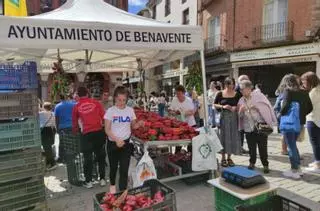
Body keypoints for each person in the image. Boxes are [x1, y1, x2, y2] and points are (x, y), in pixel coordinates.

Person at [104, 86, 144, 193]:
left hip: (126, 144)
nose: (121, 102)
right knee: (113, 168)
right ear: (115, 99)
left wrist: (139, 124)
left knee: (124, 169)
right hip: (113, 143)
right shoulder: (110, 111)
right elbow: (107, 130)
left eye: (124, 100)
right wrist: (117, 140)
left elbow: (133, 126)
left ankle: (123, 191)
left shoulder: (130, 111)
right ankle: (112, 186)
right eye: (119, 100)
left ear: (127, 99)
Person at [238, 80, 277, 174]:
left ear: (248, 88)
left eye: (242, 89)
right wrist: (241, 111)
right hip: (248, 128)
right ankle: (252, 163)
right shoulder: (241, 100)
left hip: (261, 126)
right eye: (240, 89)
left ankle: (265, 165)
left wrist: (257, 108)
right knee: (251, 148)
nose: (241, 91)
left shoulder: (259, 96)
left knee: (263, 147)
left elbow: (266, 108)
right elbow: (240, 117)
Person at [279, 74, 313, 179]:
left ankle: (295, 170)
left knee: (291, 146)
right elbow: (310, 107)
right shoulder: (304, 92)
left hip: (289, 123)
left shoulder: (288, 91)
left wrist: (279, 114)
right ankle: (297, 168)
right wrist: (301, 115)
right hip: (300, 123)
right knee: (293, 145)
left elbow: (285, 106)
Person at [72, 87, 106, 188]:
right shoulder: (96, 103)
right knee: (100, 156)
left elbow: (74, 123)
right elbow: (104, 116)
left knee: (87, 158)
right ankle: (103, 179)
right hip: (98, 132)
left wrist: (75, 132)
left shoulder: (76, 106)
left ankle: (89, 181)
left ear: (78, 95)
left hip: (86, 134)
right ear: (88, 93)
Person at [214, 77, 241, 167]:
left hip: (233, 118)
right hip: (223, 117)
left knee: (232, 136)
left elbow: (241, 105)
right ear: (225, 85)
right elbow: (214, 104)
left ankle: (229, 157)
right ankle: (223, 158)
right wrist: (223, 106)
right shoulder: (220, 93)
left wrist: (235, 108)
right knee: (223, 137)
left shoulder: (237, 94)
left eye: (232, 85)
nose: (231, 87)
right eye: (229, 85)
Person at [301, 72, 320, 173]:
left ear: (309, 81)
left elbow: (306, 107)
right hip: (318, 119)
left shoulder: (313, 92)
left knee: (315, 143)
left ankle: (318, 165)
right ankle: (318, 161)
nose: (303, 83)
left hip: (313, 119)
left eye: (304, 81)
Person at [54, 94, 76, 163]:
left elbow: (57, 119)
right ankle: (72, 156)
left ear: (60, 99)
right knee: (72, 141)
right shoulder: (72, 105)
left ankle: (62, 158)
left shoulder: (57, 106)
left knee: (62, 142)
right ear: (67, 98)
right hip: (71, 126)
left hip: (62, 127)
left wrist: (57, 128)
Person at [39, 102, 57, 171]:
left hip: (44, 131)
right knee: (48, 146)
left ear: (44, 107)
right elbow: (53, 123)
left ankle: (52, 163)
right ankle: (49, 162)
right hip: (50, 130)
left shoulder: (41, 114)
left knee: (46, 147)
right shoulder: (53, 114)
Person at [236, 75, 250, 155]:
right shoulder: (237, 91)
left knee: (247, 131)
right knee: (240, 131)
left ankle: (247, 147)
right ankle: (240, 147)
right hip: (240, 114)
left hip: (248, 114)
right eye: (243, 80)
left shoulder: (249, 89)